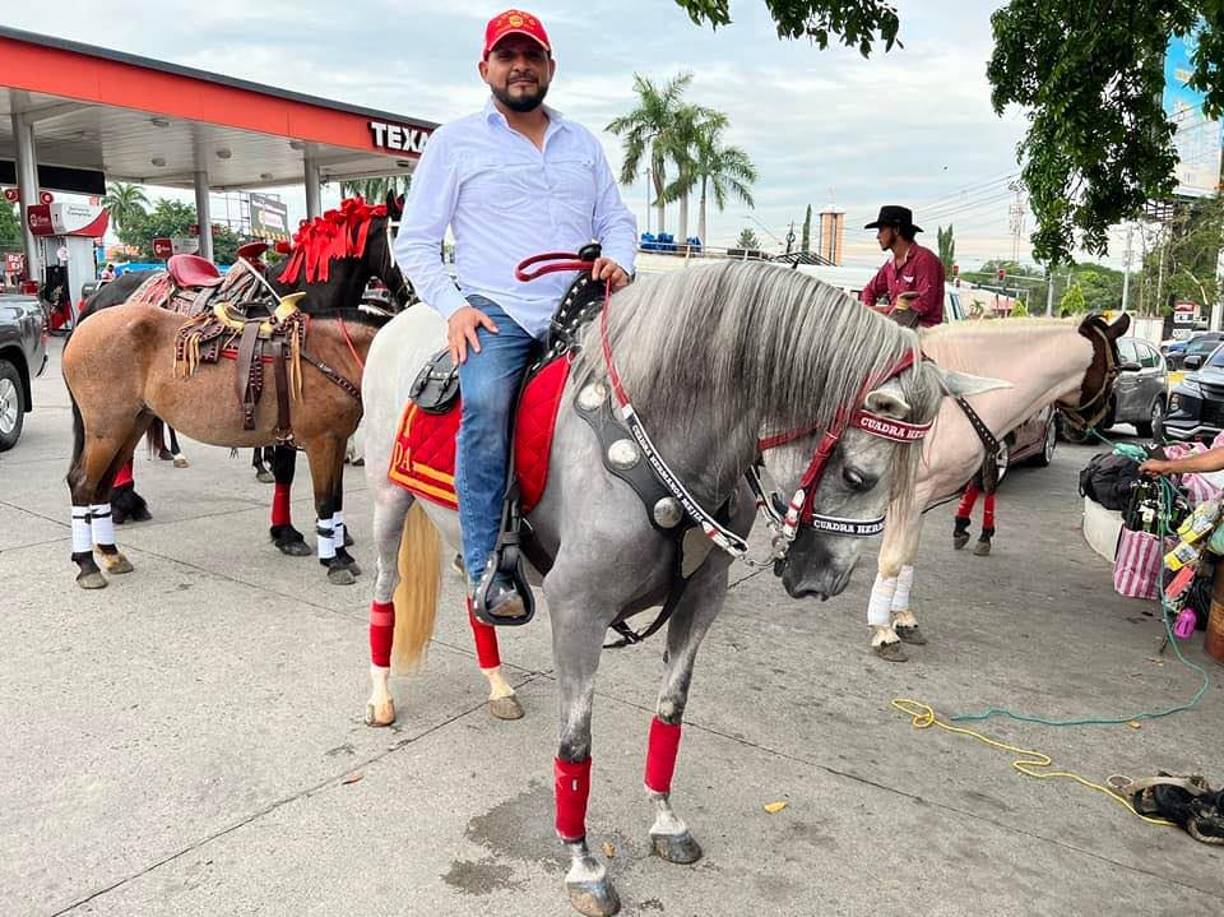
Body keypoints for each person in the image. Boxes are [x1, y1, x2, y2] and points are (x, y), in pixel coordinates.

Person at [394, 8, 637, 622]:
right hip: (498, 312)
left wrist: (620, 260)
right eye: (507, 56)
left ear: (550, 65)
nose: (520, 65)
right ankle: (487, 566)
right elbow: (416, 243)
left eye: (531, 55)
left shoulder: (581, 142)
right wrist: (454, 309)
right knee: (487, 410)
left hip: (583, 306)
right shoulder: (454, 143)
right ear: (486, 68)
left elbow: (616, 219)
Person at [859, 205, 946, 328]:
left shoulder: (924, 260)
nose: (878, 236)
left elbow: (923, 304)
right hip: (899, 333)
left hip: (924, 335)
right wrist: (867, 310)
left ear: (896, 230)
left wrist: (879, 312)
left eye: (882, 230)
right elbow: (870, 290)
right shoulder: (890, 264)